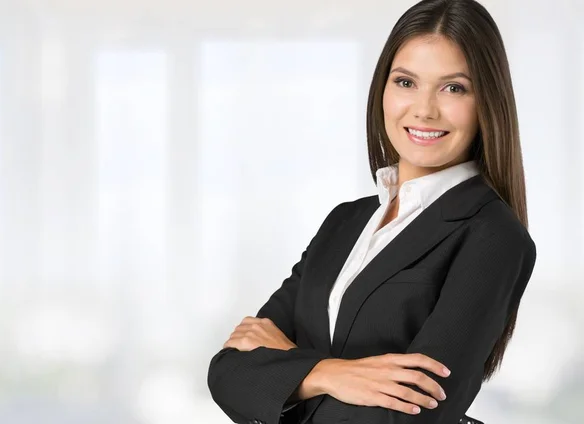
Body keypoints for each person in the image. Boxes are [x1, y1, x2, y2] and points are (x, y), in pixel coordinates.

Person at [207, 0, 537, 423]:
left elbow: (410, 415)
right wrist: (331, 373)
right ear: (382, 88)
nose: (424, 109)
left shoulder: (492, 236)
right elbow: (229, 372)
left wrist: (290, 370)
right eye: (406, 82)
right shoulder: (344, 223)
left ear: (486, 101)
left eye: (453, 88)